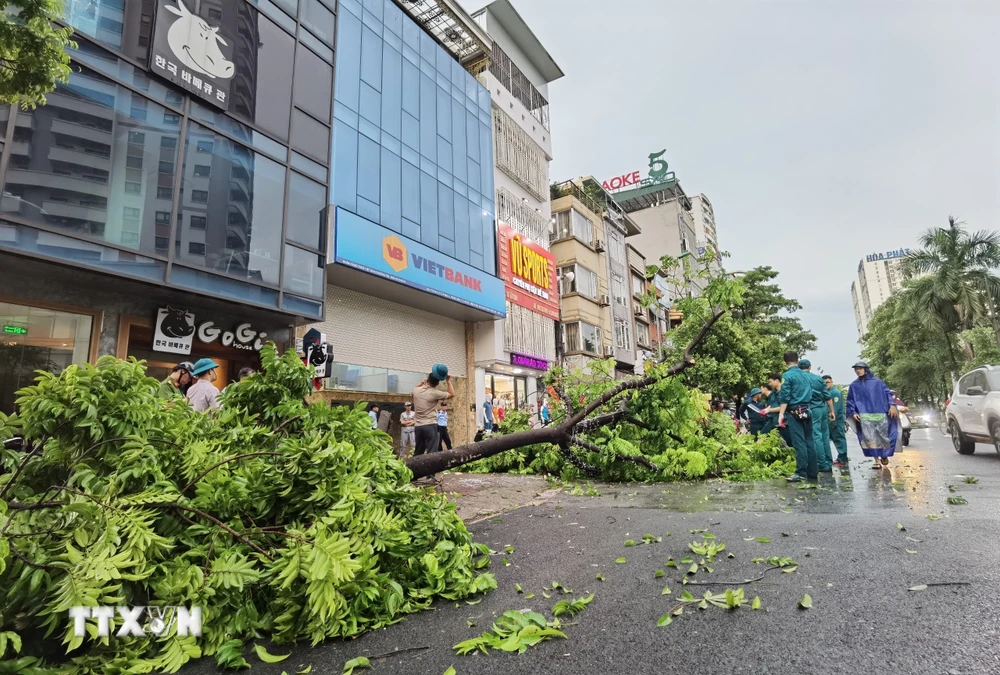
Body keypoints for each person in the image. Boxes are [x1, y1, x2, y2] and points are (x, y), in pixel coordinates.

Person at [846, 360, 899, 469]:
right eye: (856, 369)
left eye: (860, 368)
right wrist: (853, 412)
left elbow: (887, 393)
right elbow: (850, 400)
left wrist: (892, 405)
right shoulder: (854, 386)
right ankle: (876, 460)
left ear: (865, 369)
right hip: (865, 416)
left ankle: (884, 455)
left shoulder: (877, 382)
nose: (858, 371)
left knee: (884, 437)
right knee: (870, 439)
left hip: (881, 414)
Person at [778, 352, 817, 482]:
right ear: (797, 360)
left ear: (785, 362)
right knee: (810, 441)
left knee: (799, 442)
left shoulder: (787, 376)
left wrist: (781, 414)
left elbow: (785, 397)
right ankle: (812, 472)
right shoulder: (806, 376)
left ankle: (800, 473)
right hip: (807, 410)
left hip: (794, 412)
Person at [411, 364, 455, 461]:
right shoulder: (434, 393)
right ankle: (430, 475)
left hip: (418, 426)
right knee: (432, 452)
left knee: (418, 452)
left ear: (427, 380)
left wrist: (420, 383)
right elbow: (452, 394)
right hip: (430, 425)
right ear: (437, 384)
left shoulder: (416, 391)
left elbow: (413, 391)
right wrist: (448, 381)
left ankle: (413, 473)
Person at [799, 359, 835, 472]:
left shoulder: (800, 379)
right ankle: (829, 461)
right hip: (822, 408)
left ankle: (821, 463)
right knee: (825, 435)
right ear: (810, 367)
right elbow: (827, 396)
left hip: (811, 409)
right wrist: (832, 411)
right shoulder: (818, 379)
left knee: (816, 435)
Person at [824, 375, 849, 466]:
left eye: (827, 382)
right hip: (828, 420)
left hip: (836, 420)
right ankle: (840, 458)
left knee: (839, 438)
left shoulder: (835, 393)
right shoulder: (825, 392)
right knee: (832, 439)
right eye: (824, 383)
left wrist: (833, 421)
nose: (826, 384)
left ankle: (843, 458)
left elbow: (836, 409)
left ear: (832, 382)